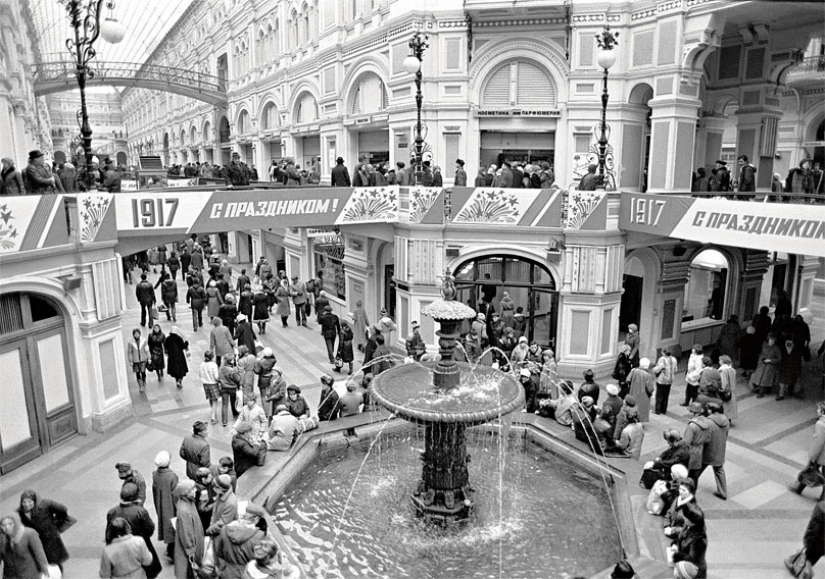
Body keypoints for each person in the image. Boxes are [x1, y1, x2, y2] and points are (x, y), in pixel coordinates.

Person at [104, 483, 162, 579]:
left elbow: (108, 535)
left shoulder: (112, 512)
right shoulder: (140, 511)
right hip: (139, 546)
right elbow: (150, 529)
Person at [16, 490, 70, 570]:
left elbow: (62, 509)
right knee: (39, 558)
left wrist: (56, 523)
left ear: (34, 501)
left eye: (29, 501)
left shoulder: (45, 504)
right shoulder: (20, 511)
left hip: (50, 537)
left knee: (54, 560)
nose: (27, 504)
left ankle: (57, 572)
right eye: (24, 502)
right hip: (35, 539)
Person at [212, 504, 267, 579]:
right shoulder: (260, 536)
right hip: (246, 574)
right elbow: (261, 561)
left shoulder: (224, 529)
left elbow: (219, 553)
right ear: (257, 519)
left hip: (227, 573)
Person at [788, 401, 825, 500]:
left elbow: (819, 442)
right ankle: (823, 498)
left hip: (821, 455)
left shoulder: (821, 424)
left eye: (818, 409)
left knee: (809, 470)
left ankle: (798, 487)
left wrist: (813, 457)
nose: (817, 411)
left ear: (822, 412)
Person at [172, 480, 205, 579]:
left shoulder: (189, 500)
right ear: (185, 493)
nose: (195, 490)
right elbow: (186, 534)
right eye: (192, 489)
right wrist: (191, 553)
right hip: (192, 549)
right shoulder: (184, 511)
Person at [0, 515, 50, 579]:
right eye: (3, 525)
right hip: (9, 575)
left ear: (15, 523)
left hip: (29, 575)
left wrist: (45, 570)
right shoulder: (1, 538)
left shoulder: (29, 533)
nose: (7, 527)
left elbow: (39, 553)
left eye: (10, 524)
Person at [151, 451, 178, 560]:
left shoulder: (155, 474)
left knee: (167, 525)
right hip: (170, 505)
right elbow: (176, 494)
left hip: (161, 504)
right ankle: (171, 552)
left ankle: (170, 550)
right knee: (174, 527)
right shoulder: (172, 476)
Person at [671, 502, 708, 579]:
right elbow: (682, 537)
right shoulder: (688, 525)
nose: (683, 517)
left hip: (691, 572)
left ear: (692, 521)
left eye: (686, 517)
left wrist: (676, 555)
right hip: (683, 567)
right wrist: (675, 544)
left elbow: (692, 560)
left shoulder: (699, 539)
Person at [683, 403, 713, 484]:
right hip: (700, 451)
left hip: (690, 451)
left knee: (686, 474)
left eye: (690, 411)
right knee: (695, 476)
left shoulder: (692, 426)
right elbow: (708, 439)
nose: (689, 413)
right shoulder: (708, 423)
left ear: (694, 413)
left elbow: (686, 442)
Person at [751, 333, 782, 398]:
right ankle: (760, 388)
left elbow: (779, 359)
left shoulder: (776, 348)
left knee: (765, 379)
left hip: (770, 366)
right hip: (762, 364)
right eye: (771, 340)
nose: (772, 341)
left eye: (773, 340)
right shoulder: (764, 346)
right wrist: (761, 360)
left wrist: (770, 360)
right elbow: (762, 354)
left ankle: (761, 392)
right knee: (759, 377)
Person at [627, 358, 654, 422]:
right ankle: (639, 421)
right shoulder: (648, 375)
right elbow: (650, 388)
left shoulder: (633, 370)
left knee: (632, 407)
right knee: (642, 410)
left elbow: (628, 380)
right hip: (643, 396)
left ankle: (632, 419)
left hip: (633, 392)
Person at [219, 357, 243, 426]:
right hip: (232, 388)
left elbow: (218, 378)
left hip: (224, 388)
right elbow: (237, 379)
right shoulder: (232, 370)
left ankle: (224, 421)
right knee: (233, 402)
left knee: (224, 404)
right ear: (230, 361)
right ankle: (235, 415)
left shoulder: (221, 368)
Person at [652, 348, 677, 415]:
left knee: (659, 395)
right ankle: (664, 410)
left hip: (662, 380)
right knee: (666, 395)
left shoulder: (662, 359)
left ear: (664, 353)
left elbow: (657, 369)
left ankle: (658, 410)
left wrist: (654, 370)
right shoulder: (673, 359)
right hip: (670, 380)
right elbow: (675, 369)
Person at [128, 328, 150, 393]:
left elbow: (147, 349)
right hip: (135, 360)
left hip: (143, 359)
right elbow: (129, 352)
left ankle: (144, 381)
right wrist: (130, 361)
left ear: (140, 334)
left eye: (137, 333)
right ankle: (140, 386)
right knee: (137, 373)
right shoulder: (131, 342)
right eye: (135, 334)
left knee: (143, 372)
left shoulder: (143, 340)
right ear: (133, 335)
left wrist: (149, 358)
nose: (136, 335)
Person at [717, 355, 738, 423]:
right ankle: (729, 420)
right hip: (732, 391)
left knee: (725, 407)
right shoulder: (732, 370)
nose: (719, 361)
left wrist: (721, 389)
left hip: (726, 392)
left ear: (723, 361)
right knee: (731, 407)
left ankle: (725, 422)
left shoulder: (723, 371)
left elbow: (724, 382)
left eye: (720, 360)